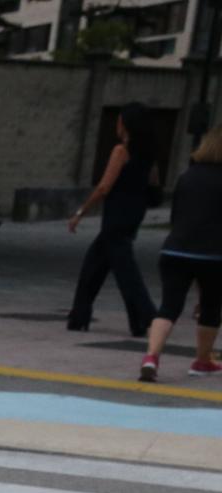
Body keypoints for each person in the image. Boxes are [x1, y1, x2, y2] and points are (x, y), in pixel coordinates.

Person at [68, 102, 160, 336]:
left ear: (126, 125)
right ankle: (80, 316)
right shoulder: (149, 156)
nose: (116, 125)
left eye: (119, 121)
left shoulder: (121, 151)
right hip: (134, 214)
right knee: (96, 264)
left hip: (116, 215)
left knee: (125, 271)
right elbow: (154, 187)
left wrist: (80, 212)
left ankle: (147, 316)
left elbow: (104, 187)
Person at [139, 126, 222, 381]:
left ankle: (151, 357)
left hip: (175, 249)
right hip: (213, 255)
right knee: (210, 307)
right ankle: (202, 361)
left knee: (169, 306)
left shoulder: (187, 176)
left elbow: (176, 216)